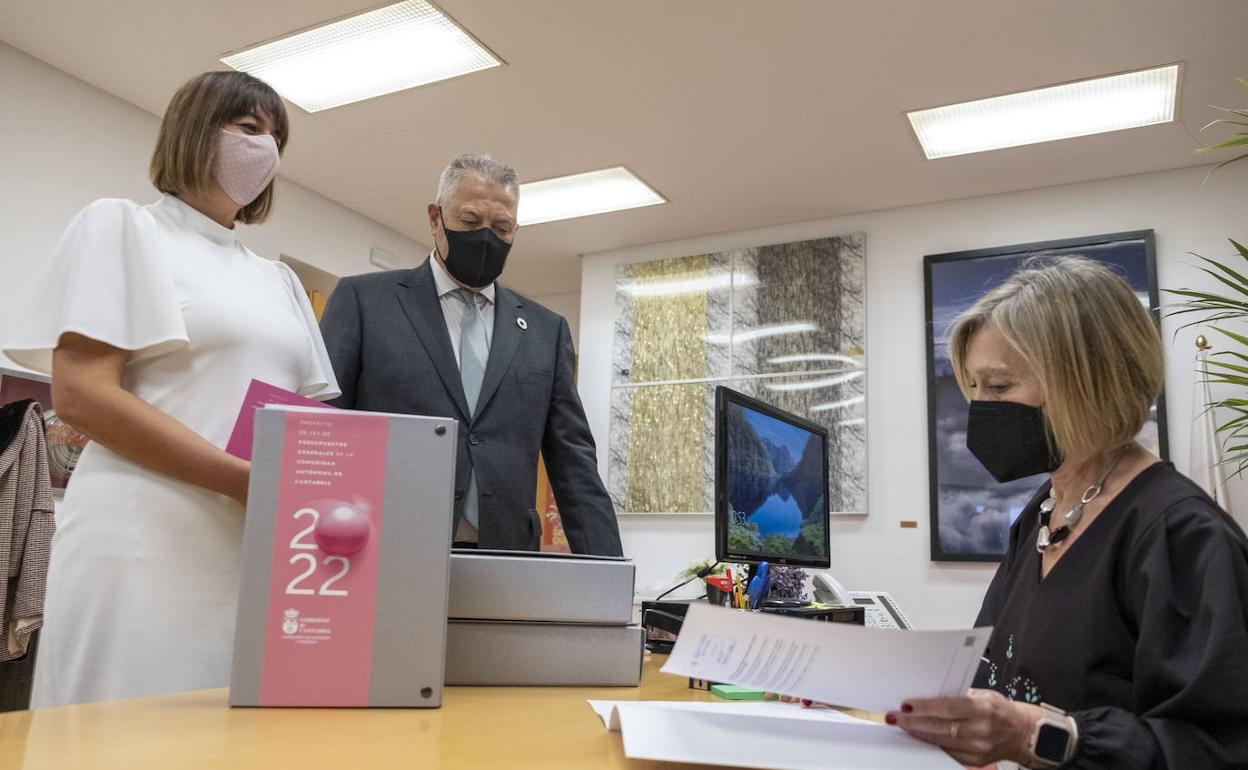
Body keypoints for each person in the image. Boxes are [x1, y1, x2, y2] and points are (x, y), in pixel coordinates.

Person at [2, 71, 338, 707]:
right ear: (194, 132)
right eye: (247, 128)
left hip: (252, 545)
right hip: (140, 538)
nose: (264, 147)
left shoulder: (279, 281)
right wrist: (245, 481)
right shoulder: (125, 228)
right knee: (131, 730)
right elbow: (81, 396)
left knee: (232, 732)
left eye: (275, 137)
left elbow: (305, 421)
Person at [887, 257, 1248, 768]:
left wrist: (1042, 735)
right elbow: (992, 672)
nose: (980, 411)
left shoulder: (1180, 534)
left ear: (1088, 382)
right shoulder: (1046, 510)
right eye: (973, 388)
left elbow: (1217, 749)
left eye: (1000, 387)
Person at [320, 154, 623, 556]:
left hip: (507, 555)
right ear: (435, 218)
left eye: (501, 227)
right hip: (383, 547)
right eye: (469, 221)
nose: (486, 237)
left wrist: (608, 575)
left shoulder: (546, 331)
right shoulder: (364, 302)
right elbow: (323, 435)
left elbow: (574, 464)